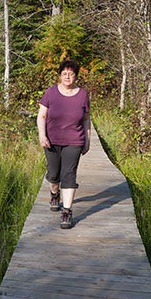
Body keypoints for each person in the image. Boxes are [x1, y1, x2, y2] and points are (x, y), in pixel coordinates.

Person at [36, 59, 91, 229]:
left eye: (71, 74)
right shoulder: (51, 93)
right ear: (60, 75)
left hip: (74, 140)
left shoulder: (82, 94)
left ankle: (67, 211)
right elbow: (42, 116)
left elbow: (86, 119)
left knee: (69, 175)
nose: (67, 77)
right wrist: (42, 135)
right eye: (64, 73)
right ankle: (54, 194)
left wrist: (87, 140)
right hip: (52, 140)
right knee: (53, 175)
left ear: (76, 76)